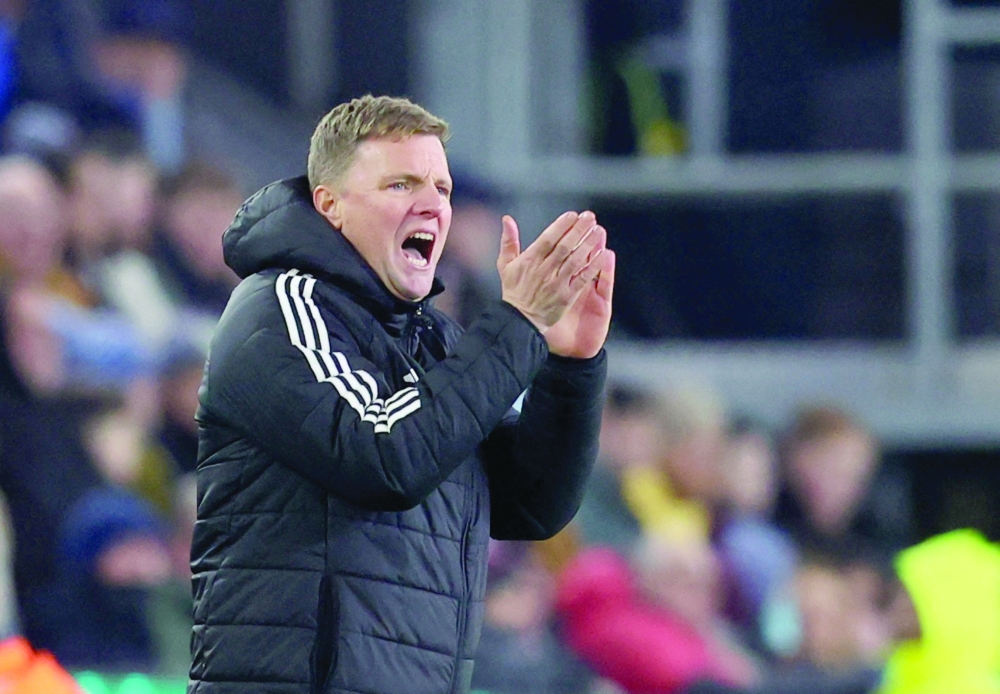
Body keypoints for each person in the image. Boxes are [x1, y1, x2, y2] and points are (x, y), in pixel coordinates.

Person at [188, 94, 616, 693]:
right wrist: (516, 323)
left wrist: (569, 366)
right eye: (401, 184)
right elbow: (386, 456)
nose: (433, 206)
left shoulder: (434, 338)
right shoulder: (281, 307)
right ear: (329, 205)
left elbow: (530, 505)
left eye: (441, 189)